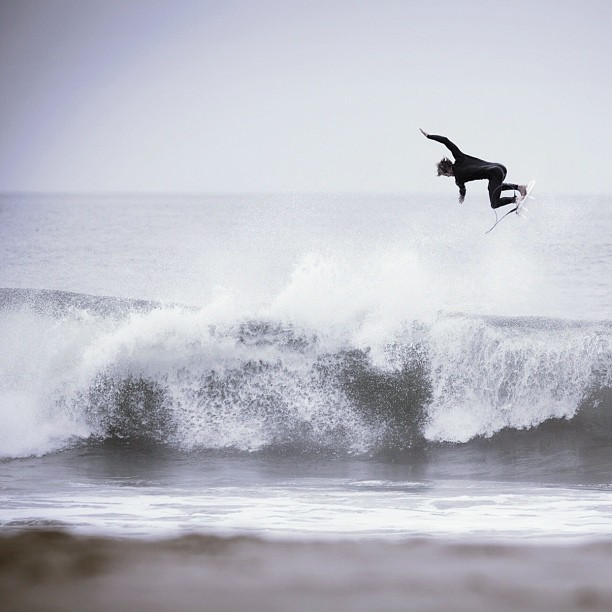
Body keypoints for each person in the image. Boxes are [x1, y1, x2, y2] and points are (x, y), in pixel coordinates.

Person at [420, 129, 526, 210]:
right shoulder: (459, 157)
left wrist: (462, 196)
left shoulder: (458, 179)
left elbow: (462, 190)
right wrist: (429, 136)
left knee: (494, 204)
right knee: (493, 188)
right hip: (500, 168)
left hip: (495, 174)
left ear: (447, 171)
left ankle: (516, 199)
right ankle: (519, 187)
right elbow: (446, 141)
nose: (447, 176)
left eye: (445, 175)